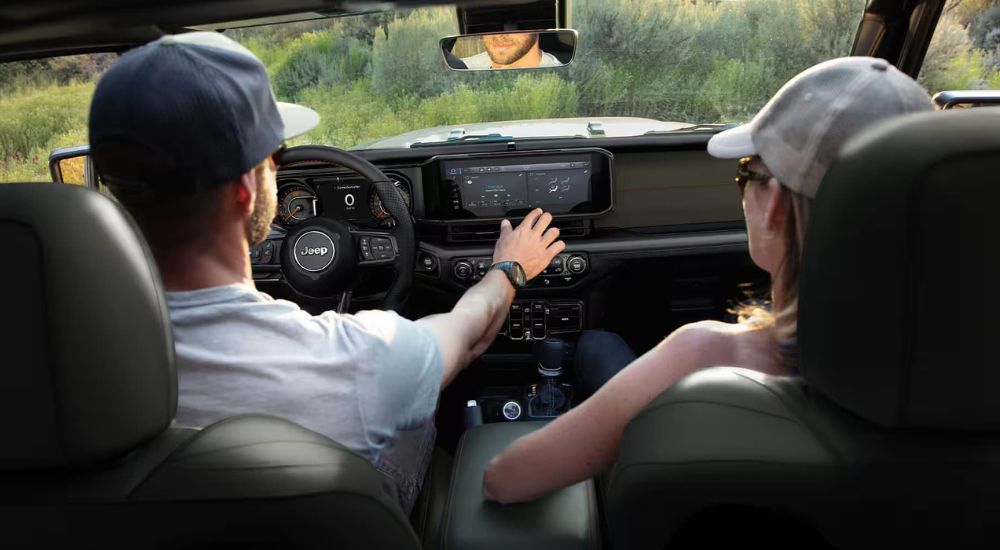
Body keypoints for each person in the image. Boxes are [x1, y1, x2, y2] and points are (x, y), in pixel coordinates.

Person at [86, 31, 565, 514]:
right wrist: (510, 267)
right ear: (246, 190)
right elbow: (469, 336)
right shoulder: (358, 359)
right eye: (275, 157)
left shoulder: (56, 362)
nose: (278, 167)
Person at [481, 56, 936, 504]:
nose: (743, 190)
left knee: (596, 345)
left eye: (747, 173)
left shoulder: (707, 355)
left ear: (775, 206)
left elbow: (504, 480)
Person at [462, 32, 562, 69]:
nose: (498, 35)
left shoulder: (560, 76)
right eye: (488, 19)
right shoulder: (464, 67)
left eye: (513, 21)